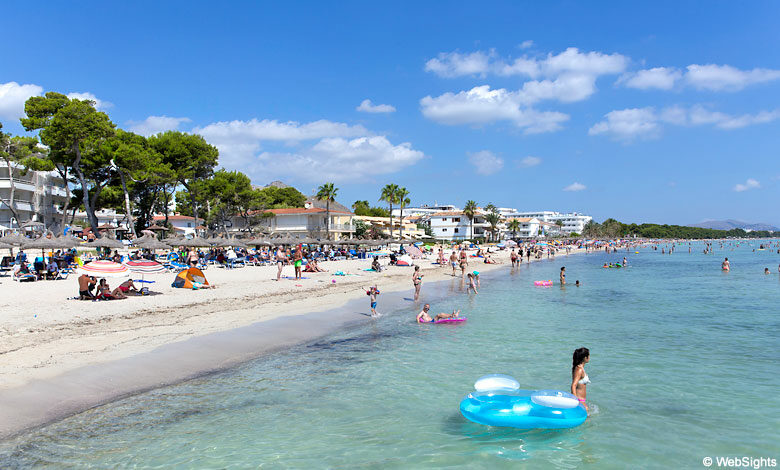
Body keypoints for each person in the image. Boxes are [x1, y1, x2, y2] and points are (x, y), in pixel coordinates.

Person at [571, 347, 590, 411]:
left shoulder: (580, 368)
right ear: (585, 357)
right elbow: (573, 385)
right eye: (589, 355)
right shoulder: (579, 369)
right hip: (579, 400)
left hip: (582, 400)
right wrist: (576, 401)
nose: (589, 357)